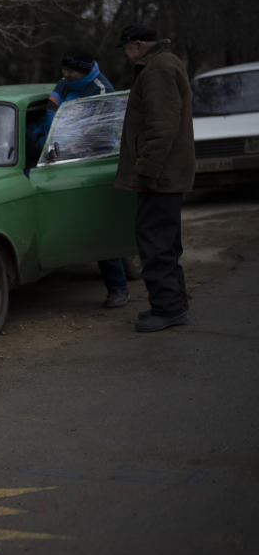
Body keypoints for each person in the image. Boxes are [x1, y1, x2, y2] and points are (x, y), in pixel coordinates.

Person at [113, 24, 196, 332]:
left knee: (155, 242)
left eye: (125, 48)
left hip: (161, 177)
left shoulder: (157, 69)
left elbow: (162, 128)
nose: (125, 55)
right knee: (164, 241)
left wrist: (146, 168)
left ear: (137, 45)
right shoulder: (165, 63)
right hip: (168, 174)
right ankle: (174, 304)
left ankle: (168, 308)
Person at [44, 44, 130, 309]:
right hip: (60, 156)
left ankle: (118, 288)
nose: (65, 75)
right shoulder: (65, 83)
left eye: (69, 70)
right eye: (64, 69)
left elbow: (99, 133)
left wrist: (67, 138)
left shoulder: (102, 91)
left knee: (99, 228)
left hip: (92, 162)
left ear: (81, 70)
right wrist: (52, 138)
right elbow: (52, 108)